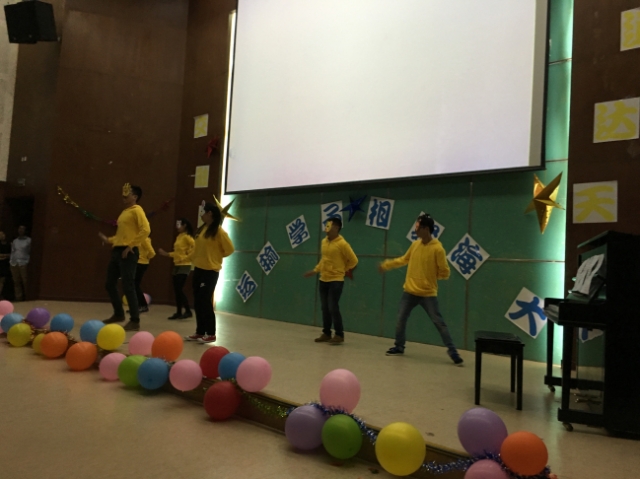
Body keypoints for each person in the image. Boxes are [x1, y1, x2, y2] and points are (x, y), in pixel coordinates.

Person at [378, 213, 463, 365]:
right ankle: (399, 346)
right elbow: (404, 259)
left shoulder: (438, 249)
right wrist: (387, 265)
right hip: (409, 292)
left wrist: (431, 277)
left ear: (426, 229)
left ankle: (453, 352)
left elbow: (445, 272)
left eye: (418, 227)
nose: (415, 230)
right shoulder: (415, 245)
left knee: (439, 323)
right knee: (400, 319)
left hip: (428, 294)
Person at [98, 184, 150, 332]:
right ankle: (119, 314)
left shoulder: (137, 210)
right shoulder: (124, 213)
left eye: (127, 195)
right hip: (117, 251)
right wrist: (109, 240)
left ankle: (135, 320)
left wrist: (131, 246)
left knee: (128, 285)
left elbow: (146, 230)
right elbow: (122, 236)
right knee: (109, 283)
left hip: (129, 252)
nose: (124, 197)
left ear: (135, 197)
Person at [184, 203, 234, 343]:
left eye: (203, 212)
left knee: (205, 300)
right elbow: (197, 249)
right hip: (198, 269)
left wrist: (215, 257)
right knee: (197, 301)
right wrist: (186, 257)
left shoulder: (218, 231)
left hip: (210, 271)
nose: (201, 215)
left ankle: (211, 333)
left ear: (210, 213)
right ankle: (200, 331)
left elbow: (229, 249)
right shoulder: (203, 229)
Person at [304, 217, 358, 345]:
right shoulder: (324, 242)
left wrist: (343, 270)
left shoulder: (342, 244)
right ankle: (326, 333)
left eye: (329, 226)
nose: (326, 229)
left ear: (336, 228)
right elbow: (324, 259)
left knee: (333, 306)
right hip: (323, 279)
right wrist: (315, 270)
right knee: (325, 307)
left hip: (336, 280)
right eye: (326, 226)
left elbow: (354, 260)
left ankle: (339, 334)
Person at [158, 218, 196, 320]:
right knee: (176, 289)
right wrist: (167, 254)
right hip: (177, 265)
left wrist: (185, 258)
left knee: (179, 288)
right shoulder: (179, 237)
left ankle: (188, 310)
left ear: (185, 226)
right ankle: (179, 312)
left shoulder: (188, 237)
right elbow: (177, 253)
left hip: (184, 265)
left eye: (179, 224)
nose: (177, 227)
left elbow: (194, 250)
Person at [133, 234, 155, 313]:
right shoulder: (139, 238)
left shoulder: (144, 239)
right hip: (137, 263)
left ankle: (143, 305)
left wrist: (146, 258)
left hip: (141, 264)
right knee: (134, 285)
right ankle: (138, 306)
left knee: (135, 285)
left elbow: (152, 252)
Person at [10, 225, 31, 302]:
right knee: (16, 282)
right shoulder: (15, 241)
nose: (20, 230)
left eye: (22, 229)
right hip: (14, 263)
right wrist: (11, 261)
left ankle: (27, 298)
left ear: (25, 230)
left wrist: (28, 261)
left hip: (24, 263)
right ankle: (18, 298)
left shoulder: (29, 240)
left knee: (25, 281)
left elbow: (30, 252)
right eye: (19, 229)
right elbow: (13, 251)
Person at [0, 231, 11, 299]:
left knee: (3, 280)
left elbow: (11, 254)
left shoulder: (9, 244)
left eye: (3, 234)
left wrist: (3, 256)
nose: (2, 236)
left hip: (5, 264)